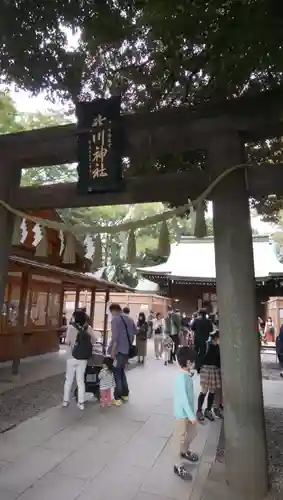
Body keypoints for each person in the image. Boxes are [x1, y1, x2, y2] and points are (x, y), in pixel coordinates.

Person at [63, 309, 97, 410]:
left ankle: (65, 401)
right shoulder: (88, 328)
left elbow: (67, 341)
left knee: (68, 379)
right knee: (80, 380)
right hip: (83, 358)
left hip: (71, 357)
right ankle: (81, 403)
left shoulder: (71, 327)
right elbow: (95, 340)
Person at [173, 346, 199, 481]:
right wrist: (191, 415)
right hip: (182, 415)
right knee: (180, 438)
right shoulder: (181, 378)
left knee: (193, 433)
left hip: (188, 413)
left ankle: (184, 451)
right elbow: (183, 399)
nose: (194, 363)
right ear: (188, 362)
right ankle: (178, 465)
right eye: (193, 361)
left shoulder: (186, 375)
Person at [108, 303, 136, 404]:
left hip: (118, 351)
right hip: (127, 350)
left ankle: (117, 396)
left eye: (111, 312)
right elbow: (134, 333)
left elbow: (115, 338)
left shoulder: (115, 319)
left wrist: (112, 352)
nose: (111, 314)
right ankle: (125, 393)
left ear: (114, 310)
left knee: (117, 372)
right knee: (122, 371)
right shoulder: (130, 319)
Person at [196, 329, 222, 422]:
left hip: (214, 370)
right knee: (204, 390)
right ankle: (199, 411)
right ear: (216, 337)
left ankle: (208, 410)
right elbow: (200, 356)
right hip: (206, 369)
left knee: (212, 391)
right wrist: (198, 367)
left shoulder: (218, 347)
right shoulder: (207, 345)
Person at [191, 308, 213, 373]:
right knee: (202, 353)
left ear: (199, 313)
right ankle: (201, 366)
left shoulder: (196, 320)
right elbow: (211, 330)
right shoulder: (208, 321)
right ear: (206, 314)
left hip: (197, 339)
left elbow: (192, 328)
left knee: (196, 352)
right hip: (205, 340)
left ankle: (197, 366)